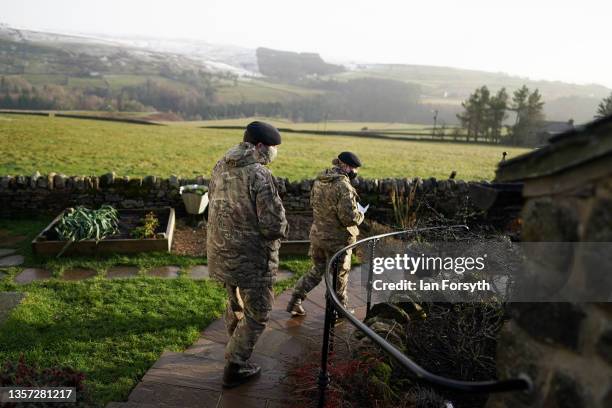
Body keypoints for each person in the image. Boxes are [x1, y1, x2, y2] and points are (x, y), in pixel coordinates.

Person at [207, 121, 288, 388]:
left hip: (221, 251)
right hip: (253, 258)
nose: (275, 153)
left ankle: (234, 346)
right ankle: (235, 364)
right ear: (261, 147)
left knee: (235, 303)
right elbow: (273, 225)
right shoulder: (259, 175)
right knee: (260, 311)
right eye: (274, 148)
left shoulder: (220, 165)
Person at [287, 151, 365, 317]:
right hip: (338, 241)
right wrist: (361, 214)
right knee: (339, 277)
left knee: (316, 270)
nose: (355, 172)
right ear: (346, 166)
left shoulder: (320, 180)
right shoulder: (343, 185)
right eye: (354, 168)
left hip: (318, 236)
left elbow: (312, 204)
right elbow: (349, 219)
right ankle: (338, 311)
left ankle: (295, 300)